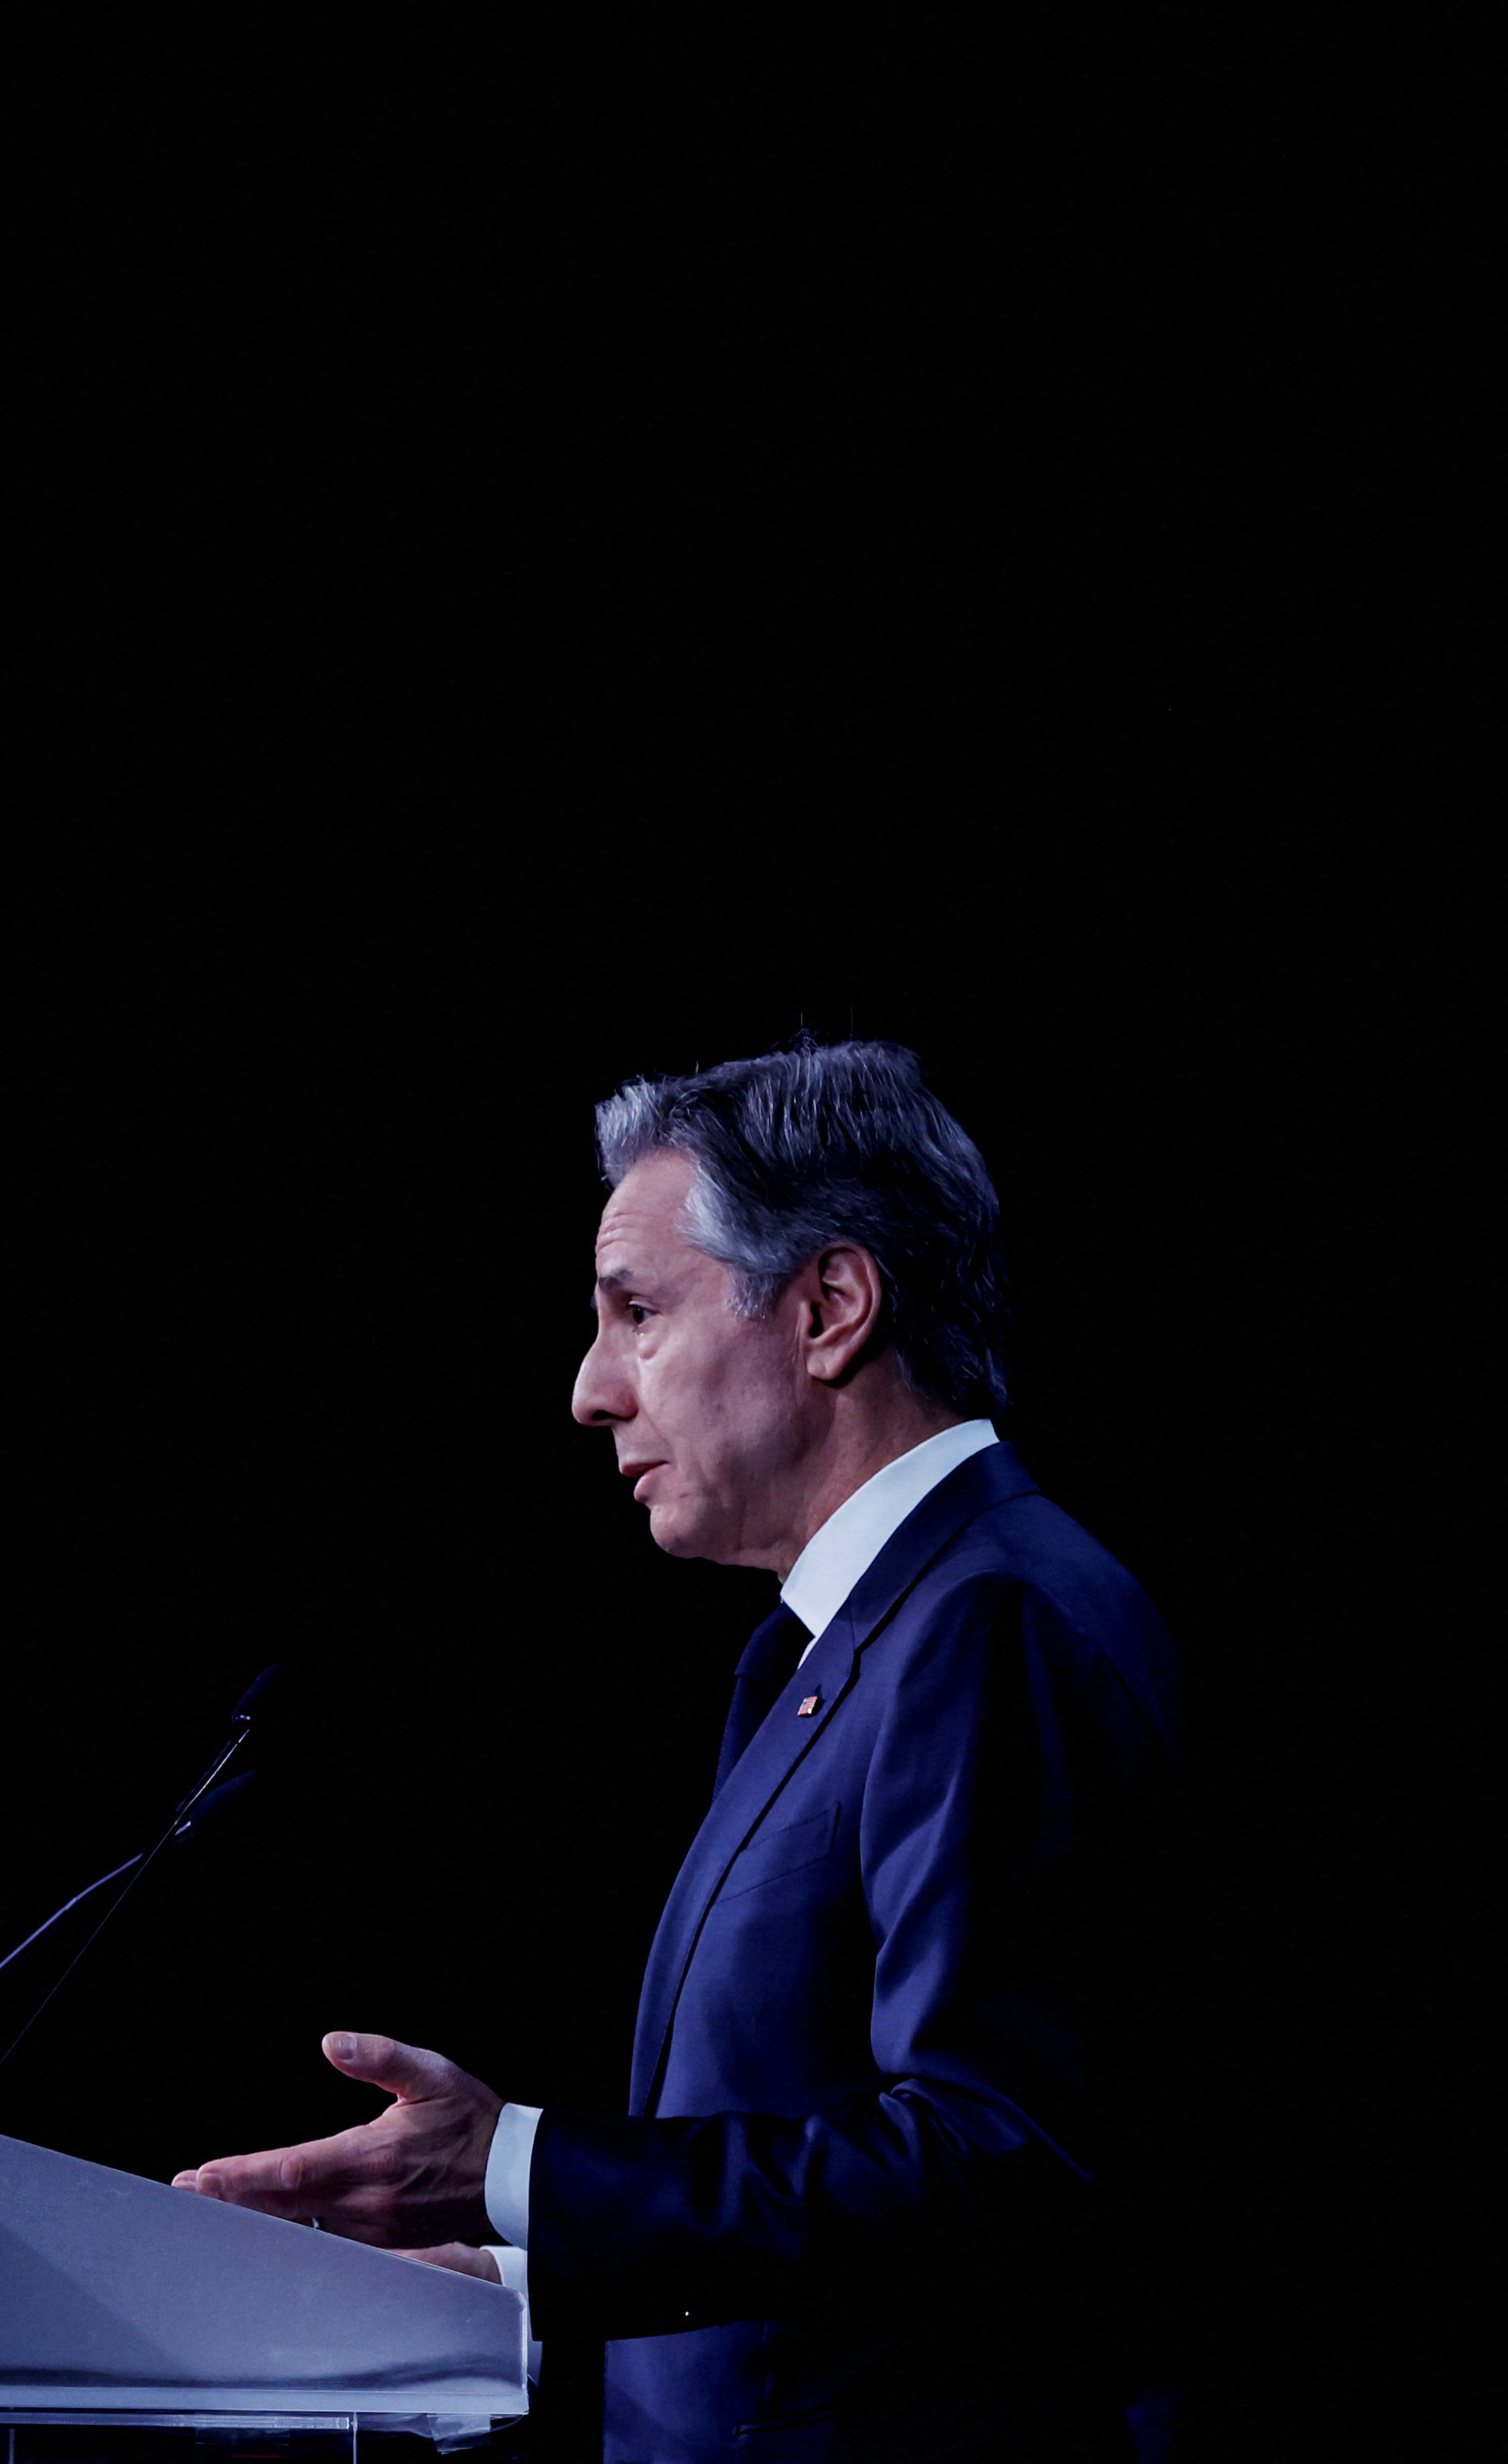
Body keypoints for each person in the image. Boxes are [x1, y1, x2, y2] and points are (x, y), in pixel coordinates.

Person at [171, 1042, 1180, 2462]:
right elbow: (835, 2240)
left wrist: (519, 2166)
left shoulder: (992, 1618)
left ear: (830, 1306)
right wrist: (521, 2294)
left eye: (636, 1312)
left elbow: (997, 2164)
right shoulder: (836, 1645)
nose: (592, 1390)